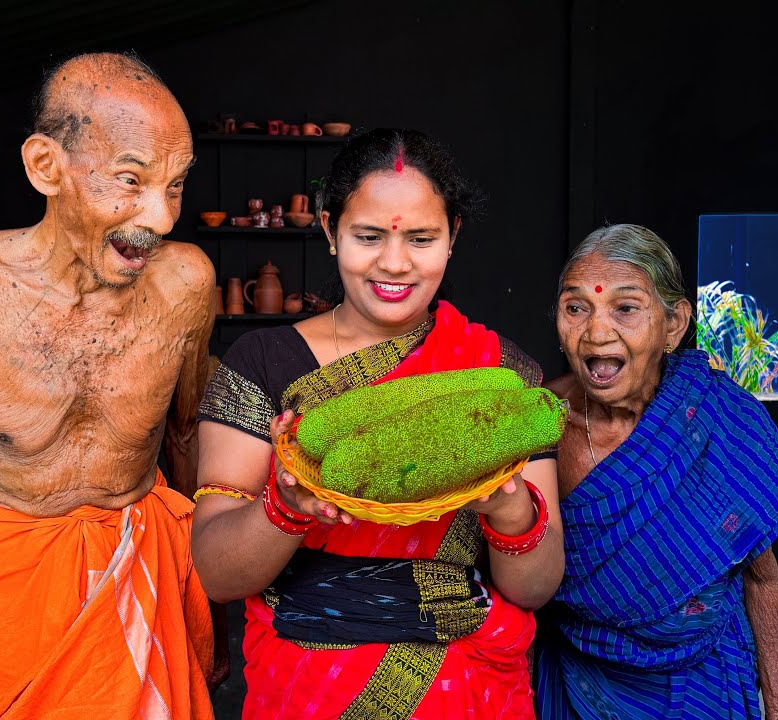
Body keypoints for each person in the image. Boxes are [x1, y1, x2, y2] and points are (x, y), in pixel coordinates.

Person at [0, 52, 221, 720]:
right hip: (4, 582)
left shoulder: (187, 284)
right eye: (131, 180)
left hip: (142, 567)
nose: (161, 218)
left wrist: (198, 596)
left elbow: (187, 437)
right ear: (46, 167)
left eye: (176, 185)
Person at [193, 128, 565, 719]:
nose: (394, 263)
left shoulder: (501, 376)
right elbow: (216, 574)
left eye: (422, 238)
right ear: (329, 230)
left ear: (453, 237)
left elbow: (535, 588)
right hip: (306, 687)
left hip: (464, 689)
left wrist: (510, 508)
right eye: (368, 237)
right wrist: (286, 506)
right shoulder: (261, 364)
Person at [534, 224, 778, 719]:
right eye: (576, 308)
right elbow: (517, 584)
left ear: (674, 324)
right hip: (582, 684)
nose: (596, 332)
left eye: (625, 308)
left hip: (706, 681)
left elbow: (762, 579)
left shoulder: (717, 417)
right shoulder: (539, 424)